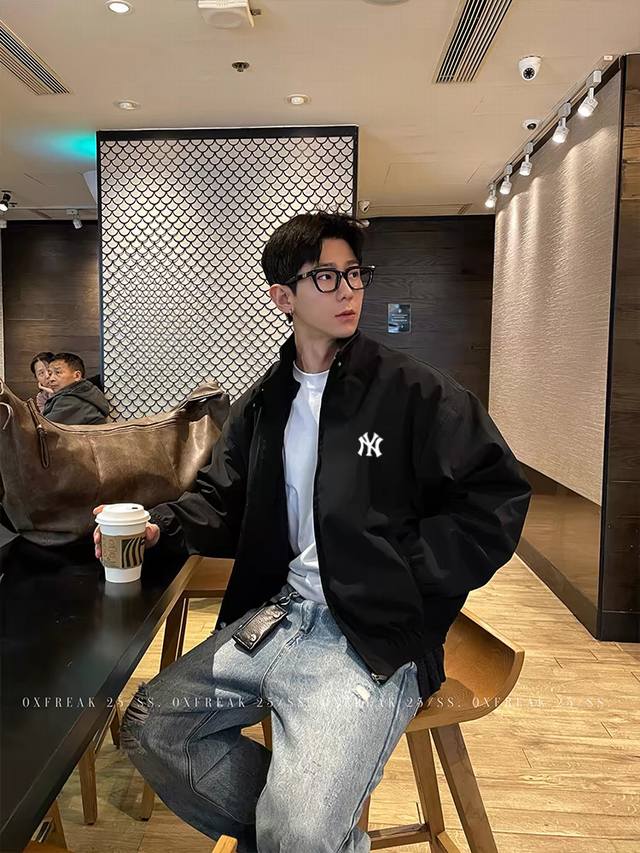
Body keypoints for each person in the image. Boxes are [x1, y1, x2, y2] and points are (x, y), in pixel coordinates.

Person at [94, 211, 531, 853]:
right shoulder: (266, 402)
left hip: (368, 636)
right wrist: (160, 527)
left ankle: (299, 837)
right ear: (284, 297)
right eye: (326, 277)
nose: (348, 289)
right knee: (151, 727)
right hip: (276, 617)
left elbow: (495, 498)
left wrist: (404, 573)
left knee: (297, 830)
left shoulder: (415, 393)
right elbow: (221, 499)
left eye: (355, 274)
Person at [44, 352, 110, 425]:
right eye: (50, 374)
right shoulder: (87, 393)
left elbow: (43, 427)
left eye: (58, 372)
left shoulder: (71, 400)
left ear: (77, 376)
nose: (51, 379)